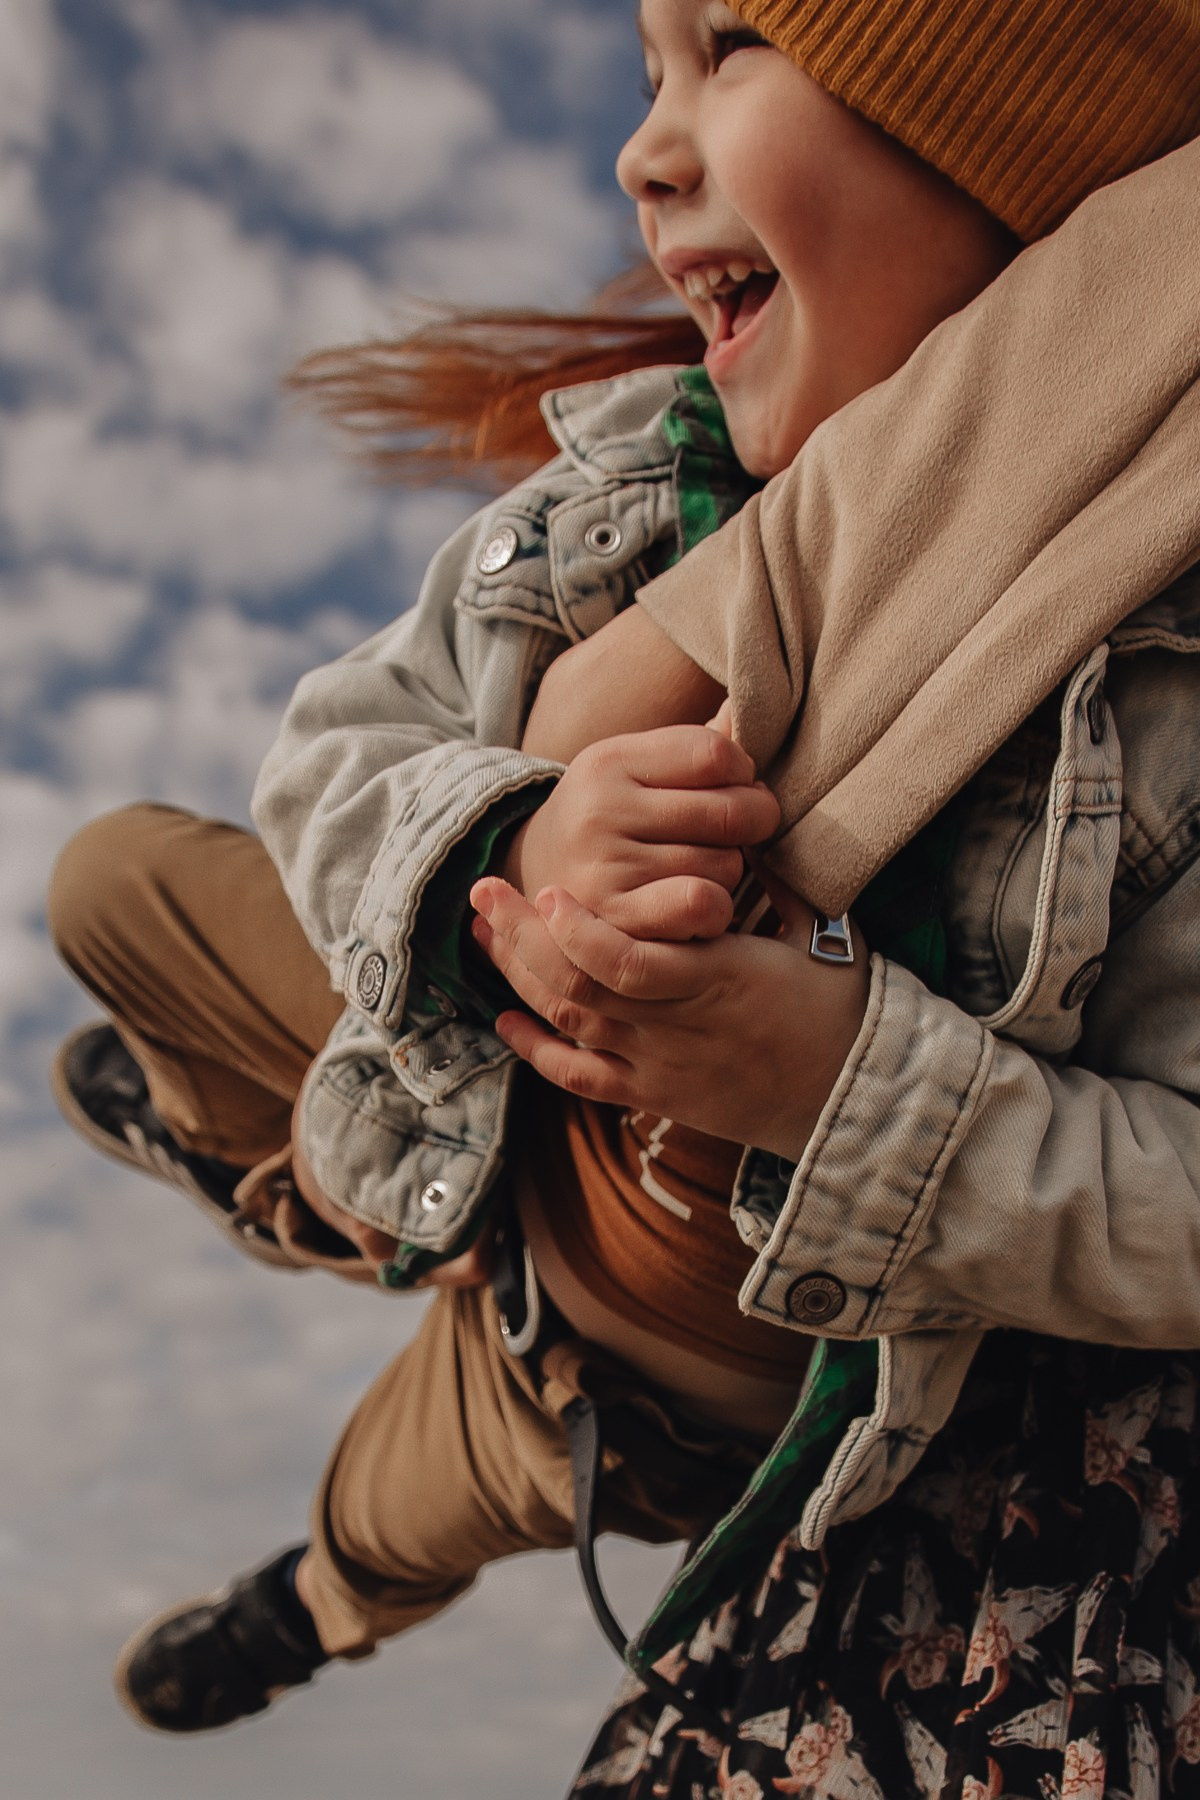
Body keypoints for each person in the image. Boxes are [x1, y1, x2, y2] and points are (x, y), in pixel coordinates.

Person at [45, 4, 1200, 1793]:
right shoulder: (620, 499)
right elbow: (338, 758)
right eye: (648, 72)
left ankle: (307, 1601)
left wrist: (841, 1090)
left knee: (405, 1505)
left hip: (631, 1351)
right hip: (480, 1082)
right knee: (109, 879)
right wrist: (507, 843)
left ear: (1008, 120)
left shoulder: (1160, 664)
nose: (641, 151)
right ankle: (317, 1192)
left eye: (731, 46)